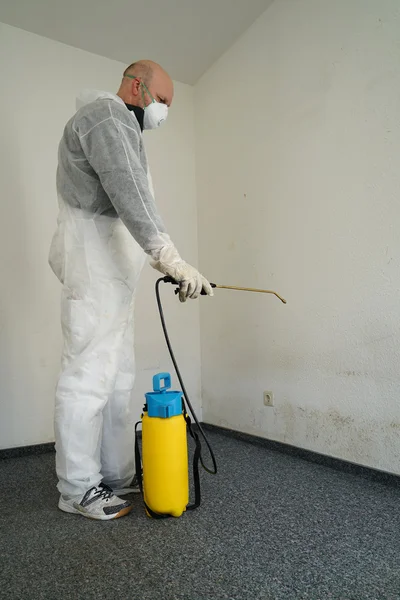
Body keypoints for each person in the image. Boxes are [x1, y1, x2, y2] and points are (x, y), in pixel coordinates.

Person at [49, 59, 213, 520]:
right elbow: (130, 192)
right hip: (94, 266)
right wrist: (170, 256)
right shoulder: (106, 116)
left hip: (112, 275)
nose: (163, 111)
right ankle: (78, 488)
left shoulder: (124, 128)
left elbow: (129, 197)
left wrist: (163, 262)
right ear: (137, 85)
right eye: (162, 100)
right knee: (88, 376)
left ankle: (114, 475)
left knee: (118, 378)